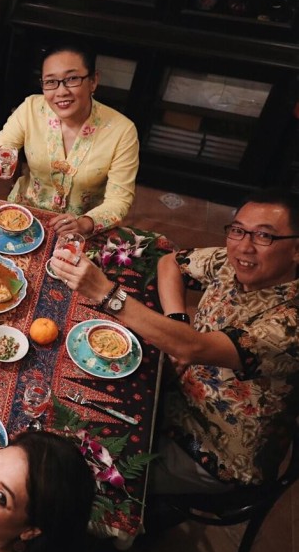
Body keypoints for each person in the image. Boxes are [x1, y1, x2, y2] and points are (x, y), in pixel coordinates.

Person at [52, 189, 299, 492]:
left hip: (212, 449)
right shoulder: (236, 260)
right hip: (175, 388)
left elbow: (193, 348)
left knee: (78, 475)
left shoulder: (289, 324)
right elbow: (171, 263)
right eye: (238, 230)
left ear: (296, 250)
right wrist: (178, 321)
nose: (245, 246)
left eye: (264, 236)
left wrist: (107, 294)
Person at [0, 44, 139, 237]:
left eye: (72, 79)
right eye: (51, 82)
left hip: (80, 229)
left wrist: (85, 224)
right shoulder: (30, 109)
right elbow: (1, 152)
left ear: (93, 81)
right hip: (23, 218)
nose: (61, 91)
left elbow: (118, 200)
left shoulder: (123, 131)